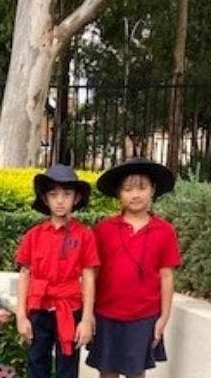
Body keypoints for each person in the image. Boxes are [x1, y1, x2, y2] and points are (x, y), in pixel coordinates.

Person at [87, 157, 181, 378]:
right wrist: (88, 313)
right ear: (119, 193)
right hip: (106, 314)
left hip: (143, 316)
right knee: (107, 371)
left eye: (142, 188)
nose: (135, 195)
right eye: (127, 189)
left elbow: (166, 276)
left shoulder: (165, 231)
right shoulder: (103, 229)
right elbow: (91, 273)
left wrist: (163, 317)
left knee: (136, 371)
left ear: (153, 190)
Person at [15, 164, 99, 378]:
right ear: (45, 199)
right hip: (39, 307)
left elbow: (89, 277)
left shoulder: (84, 235)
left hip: (70, 308)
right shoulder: (34, 235)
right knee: (36, 364)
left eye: (67, 194)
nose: (60, 200)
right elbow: (25, 274)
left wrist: (87, 319)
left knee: (68, 368)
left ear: (76, 198)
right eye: (53, 194)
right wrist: (21, 316)